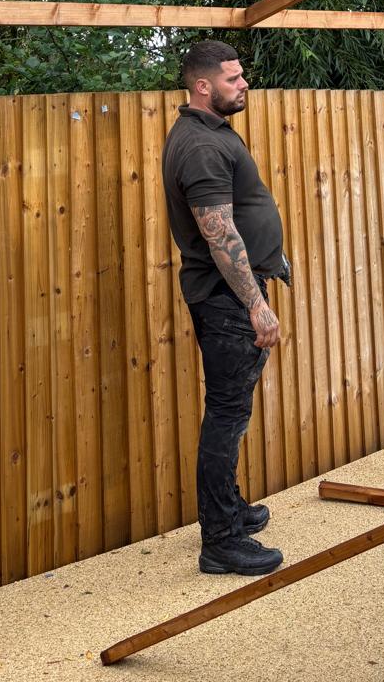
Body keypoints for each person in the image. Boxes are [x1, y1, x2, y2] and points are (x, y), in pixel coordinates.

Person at [162, 39, 289, 575]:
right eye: (233, 79)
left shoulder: (209, 133)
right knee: (226, 415)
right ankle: (219, 540)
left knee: (232, 411)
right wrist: (257, 305)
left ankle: (230, 510)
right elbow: (220, 237)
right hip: (226, 303)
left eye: (241, 76)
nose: (243, 85)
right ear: (202, 86)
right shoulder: (200, 147)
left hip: (231, 298)